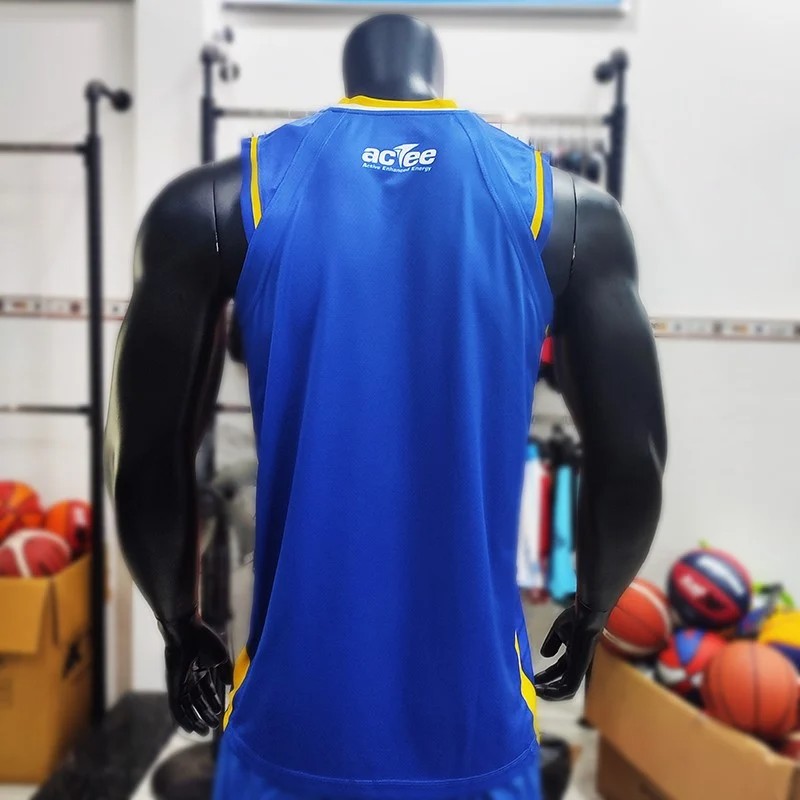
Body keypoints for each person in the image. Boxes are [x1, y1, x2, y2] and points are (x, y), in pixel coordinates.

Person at [106, 13, 666, 800]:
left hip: (292, 721)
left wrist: (179, 625)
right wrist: (593, 610)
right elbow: (634, 465)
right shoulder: (566, 212)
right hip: (476, 728)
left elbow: (143, 457)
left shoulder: (219, 203)